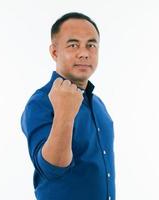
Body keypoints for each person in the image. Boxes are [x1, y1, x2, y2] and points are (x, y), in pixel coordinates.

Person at [20, 12, 115, 200]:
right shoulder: (40, 102)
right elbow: (52, 168)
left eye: (91, 45)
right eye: (73, 45)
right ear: (55, 52)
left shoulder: (98, 104)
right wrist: (65, 113)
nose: (84, 53)